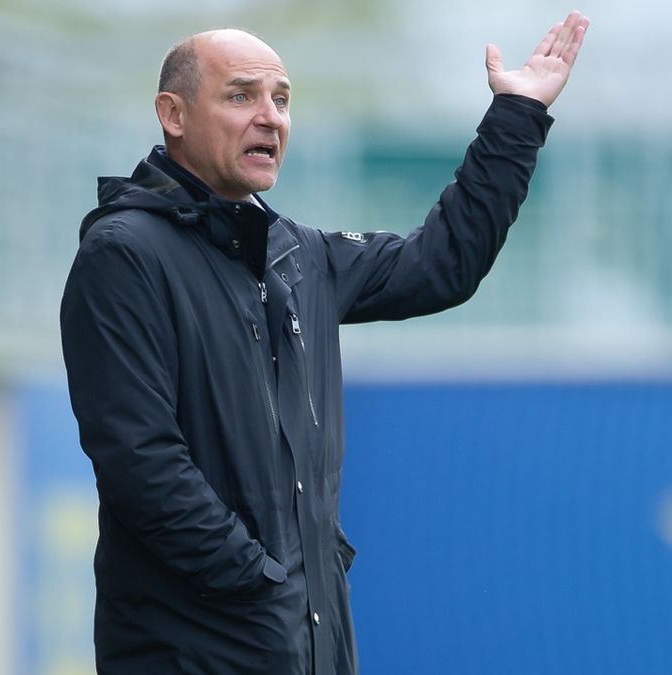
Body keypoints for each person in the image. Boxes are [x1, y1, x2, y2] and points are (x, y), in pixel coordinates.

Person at [61, 13, 589, 674]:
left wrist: (517, 114)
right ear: (173, 114)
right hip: (197, 650)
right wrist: (258, 581)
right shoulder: (124, 254)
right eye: (241, 96)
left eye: (281, 100)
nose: (270, 117)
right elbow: (141, 462)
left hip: (306, 646)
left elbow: (442, 264)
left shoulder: (296, 254)